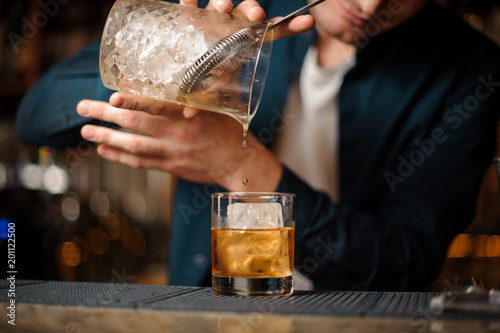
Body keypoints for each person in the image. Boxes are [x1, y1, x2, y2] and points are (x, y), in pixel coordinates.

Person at [16, 0, 500, 291]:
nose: (371, 7)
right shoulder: (235, 9)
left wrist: (237, 163)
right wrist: (181, 62)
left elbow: (403, 266)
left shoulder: (468, 70)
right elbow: (36, 117)